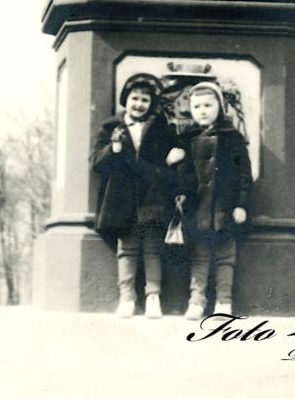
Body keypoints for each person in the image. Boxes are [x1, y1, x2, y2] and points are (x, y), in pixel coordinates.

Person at [90, 73, 184, 318]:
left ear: (151, 104)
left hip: (152, 197)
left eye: (145, 100)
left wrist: (169, 160)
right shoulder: (110, 128)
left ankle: (153, 296)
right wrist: (113, 149)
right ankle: (127, 297)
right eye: (135, 98)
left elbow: (171, 163)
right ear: (126, 100)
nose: (139, 104)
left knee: (152, 248)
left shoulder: (162, 129)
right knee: (127, 249)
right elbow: (96, 163)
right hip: (122, 199)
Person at [175, 81, 252, 320]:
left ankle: (224, 301)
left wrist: (241, 204)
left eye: (208, 105)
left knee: (225, 256)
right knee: (199, 255)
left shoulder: (232, 137)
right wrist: (181, 193)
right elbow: (183, 173)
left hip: (224, 206)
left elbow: (244, 174)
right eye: (197, 106)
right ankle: (197, 300)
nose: (203, 111)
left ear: (219, 106)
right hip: (198, 207)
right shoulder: (187, 138)